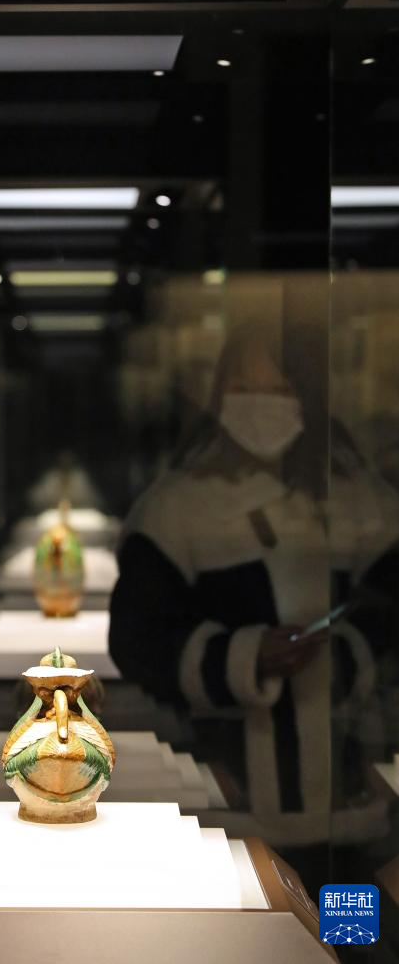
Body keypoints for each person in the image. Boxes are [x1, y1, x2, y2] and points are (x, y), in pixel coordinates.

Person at [109, 324, 399, 852]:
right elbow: (138, 639)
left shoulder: (360, 500)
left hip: (352, 795)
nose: (260, 405)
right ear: (219, 394)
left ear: (308, 396)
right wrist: (243, 658)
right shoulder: (175, 509)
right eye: (243, 388)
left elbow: (390, 607)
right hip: (224, 791)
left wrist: (347, 654)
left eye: (280, 389)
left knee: (345, 903)